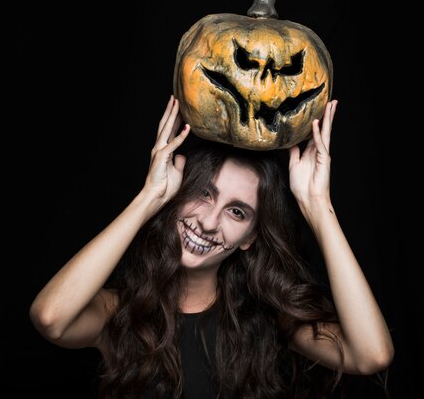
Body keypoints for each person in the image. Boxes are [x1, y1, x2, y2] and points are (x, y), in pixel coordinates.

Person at [29, 95, 394, 399]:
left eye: (237, 212)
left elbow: (372, 355)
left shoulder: (268, 321)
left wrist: (318, 206)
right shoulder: (123, 312)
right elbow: (51, 317)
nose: (208, 221)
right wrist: (149, 197)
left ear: (250, 237)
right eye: (204, 194)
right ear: (178, 193)